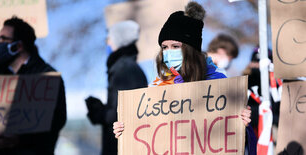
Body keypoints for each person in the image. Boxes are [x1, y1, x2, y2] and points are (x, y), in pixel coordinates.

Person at [113, 2, 256, 154]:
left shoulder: (218, 84)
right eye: (164, 47)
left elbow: (234, 142)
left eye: (175, 46)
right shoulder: (155, 89)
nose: (168, 52)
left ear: (190, 49)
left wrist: (242, 124)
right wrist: (126, 130)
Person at [0, 16, 67, 154]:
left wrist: (21, 139)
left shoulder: (46, 76)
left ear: (18, 46)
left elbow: (57, 120)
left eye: (2, 39)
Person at [85, 20, 148, 155]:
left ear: (119, 41)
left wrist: (99, 112)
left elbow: (119, 112)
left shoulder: (123, 69)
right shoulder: (128, 67)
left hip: (122, 145)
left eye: (109, 39)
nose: (107, 43)